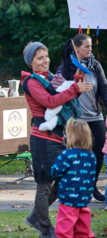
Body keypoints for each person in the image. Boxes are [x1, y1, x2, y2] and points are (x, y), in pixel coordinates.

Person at [21, 41, 89, 237]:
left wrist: (77, 78)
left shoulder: (50, 77)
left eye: (47, 56)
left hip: (58, 137)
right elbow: (50, 101)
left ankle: (35, 216)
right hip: (42, 140)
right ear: (31, 62)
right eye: (40, 58)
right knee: (44, 186)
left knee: (65, 179)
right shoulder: (31, 82)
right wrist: (76, 89)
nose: (46, 61)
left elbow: (64, 90)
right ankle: (44, 228)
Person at [59, 34, 107, 202]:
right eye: (86, 46)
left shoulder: (95, 65)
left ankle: (91, 185)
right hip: (77, 119)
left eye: (91, 45)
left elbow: (104, 88)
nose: (90, 49)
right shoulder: (65, 68)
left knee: (99, 152)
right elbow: (60, 93)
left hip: (95, 116)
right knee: (78, 155)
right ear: (76, 48)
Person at [51, 118, 96, 238]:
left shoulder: (67, 155)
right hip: (85, 199)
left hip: (68, 199)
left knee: (64, 231)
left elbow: (55, 171)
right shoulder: (91, 156)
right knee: (83, 231)